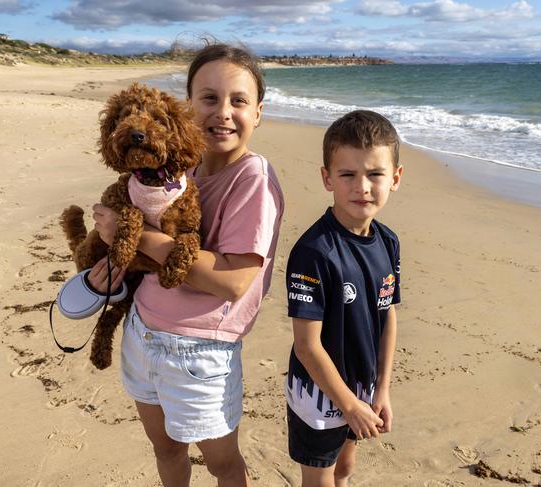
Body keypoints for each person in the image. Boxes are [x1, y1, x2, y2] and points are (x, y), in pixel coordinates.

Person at [88, 43, 284, 487]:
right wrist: (112, 266)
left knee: (222, 464)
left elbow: (233, 281)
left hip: (200, 352)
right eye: (209, 98)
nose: (223, 112)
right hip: (142, 332)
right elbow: (146, 258)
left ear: (259, 113)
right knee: (166, 448)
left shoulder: (252, 178)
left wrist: (133, 233)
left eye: (239, 100)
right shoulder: (178, 170)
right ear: (187, 108)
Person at [284, 110, 403, 487]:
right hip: (319, 393)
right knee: (319, 477)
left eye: (375, 174)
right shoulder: (314, 252)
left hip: (362, 385)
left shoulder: (387, 241)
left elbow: (388, 316)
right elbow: (306, 346)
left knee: (345, 468)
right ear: (327, 178)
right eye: (348, 174)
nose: (362, 187)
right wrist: (349, 406)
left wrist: (381, 388)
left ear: (395, 179)